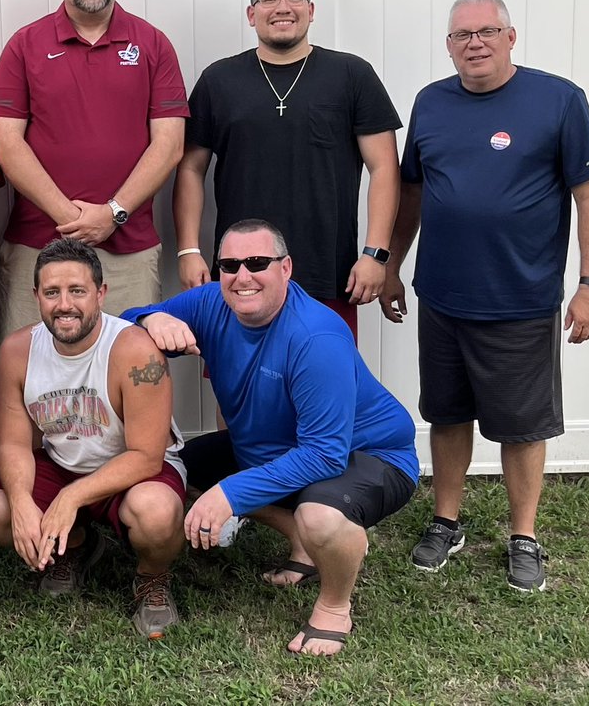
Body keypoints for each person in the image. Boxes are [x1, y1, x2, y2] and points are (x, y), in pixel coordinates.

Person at [381, 0, 589, 593]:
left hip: (521, 300)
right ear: (449, 45)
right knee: (447, 414)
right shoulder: (430, 103)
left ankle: (523, 536)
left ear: (512, 37)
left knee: (521, 426)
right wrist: (393, 264)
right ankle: (446, 520)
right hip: (444, 297)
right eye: (461, 36)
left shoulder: (559, 100)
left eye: (487, 32)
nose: (474, 44)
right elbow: (412, 195)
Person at [128, 219, 418, 657]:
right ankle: (300, 541)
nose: (242, 276)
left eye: (257, 263)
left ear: (286, 269)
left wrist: (230, 493)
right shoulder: (212, 302)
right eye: (229, 265)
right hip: (277, 447)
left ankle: (335, 605)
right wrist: (150, 317)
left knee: (320, 515)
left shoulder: (317, 336)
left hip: (368, 454)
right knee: (172, 467)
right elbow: (118, 329)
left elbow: (324, 455)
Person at [173, 0, 401, 340]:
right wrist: (187, 250)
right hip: (240, 274)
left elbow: (384, 168)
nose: (283, 7)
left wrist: (375, 254)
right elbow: (189, 168)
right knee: (238, 392)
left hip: (328, 272)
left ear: (310, 10)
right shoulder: (219, 80)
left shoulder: (351, 75)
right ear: (251, 13)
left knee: (325, 388)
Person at [0, 238, 187, 640]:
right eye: (52, 292)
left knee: (156, 514)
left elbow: (146, 456)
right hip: (63, 463)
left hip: (133, 470)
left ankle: (151, 578)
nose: (64, 304)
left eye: (77, 290)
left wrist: (70, 498)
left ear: (100, 293)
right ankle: (76, 546)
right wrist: (23, 503)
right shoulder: (17, 350)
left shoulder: (135, 350)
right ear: (36, 295)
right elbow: (14, 444)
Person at [0, 0, 187, 342]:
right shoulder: (25, 45)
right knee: (30, 373)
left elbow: (169, 145)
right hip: (37, 246)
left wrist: (112, 214)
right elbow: (6, 143)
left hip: (128, 248)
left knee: (133, 368)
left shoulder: (153, 44)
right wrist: (72, 219)